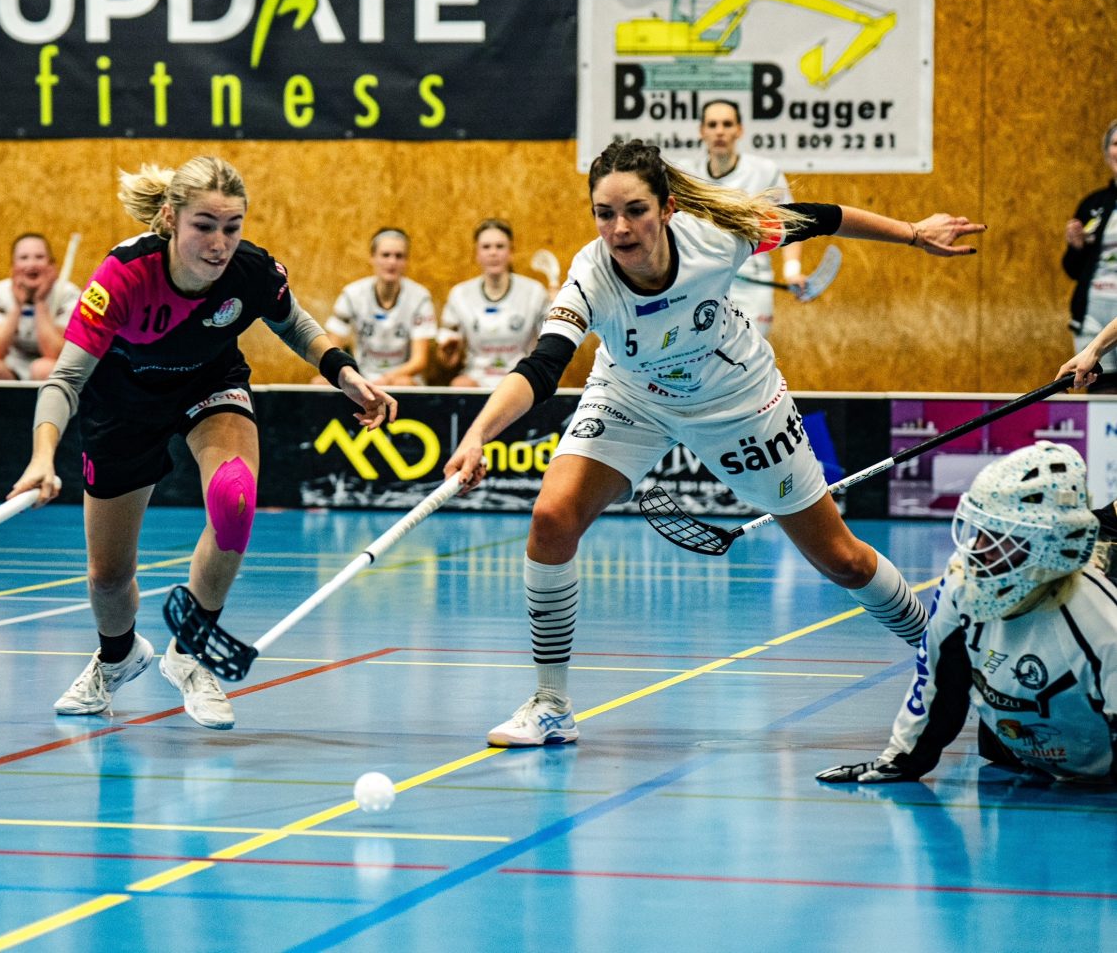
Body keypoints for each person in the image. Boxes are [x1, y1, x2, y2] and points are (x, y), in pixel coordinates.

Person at [442, 138, 985, 748]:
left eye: (635, 210)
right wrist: (479, 433)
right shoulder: (590, 276)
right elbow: (543, 367)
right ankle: (551, 703)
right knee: (551, 518)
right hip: (633, 395)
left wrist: (913, 233)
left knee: (841, 559)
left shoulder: (719, 235)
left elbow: (823, 217)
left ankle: (955, 661)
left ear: (668, 208)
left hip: (739, 402)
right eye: (604, 213)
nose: (620, 229)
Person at [8, 156, 395, 729]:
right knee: (108, 577)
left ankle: (190, 653)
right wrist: (43, 457)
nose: (219, 243)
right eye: (205, 226)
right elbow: (65, 379)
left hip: (209, 387)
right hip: (123, 404)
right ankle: (116, 660)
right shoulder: (123, 276)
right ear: (171, 218)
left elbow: (293, 322)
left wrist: (345, 374)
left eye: (232, 227)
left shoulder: (250, 270)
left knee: (235, 500)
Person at [817, 442, 1117, 785]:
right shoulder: (963, 579)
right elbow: (938, 679)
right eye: (980, 530)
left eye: (999, 534)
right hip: (1011, 754)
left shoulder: (1100, 620)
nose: (978, 549)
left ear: (1048, 542)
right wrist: (901, 760)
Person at [682, 100, 810, 339]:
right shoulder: (687, 176)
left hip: (752, 285)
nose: (720, 131)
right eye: (712, 124)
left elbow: (791, 224)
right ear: (702, 131)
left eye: (727, 124)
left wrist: (792, 271)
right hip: (702, 284)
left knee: (746, 363)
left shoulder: (765, 172)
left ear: (739, 130)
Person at [437, 219, 549, 388]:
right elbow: (447, 361)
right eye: (486, 247)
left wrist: (558, 311)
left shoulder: (534, 292)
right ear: (477, 254)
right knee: (459, 385)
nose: (493, 253)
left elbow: (552, 344)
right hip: (476, 376)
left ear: (511, 252)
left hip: (521, 376)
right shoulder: (460, 294)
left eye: (500, 246)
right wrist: (448, 352)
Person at [320, 228, 436, 386]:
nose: (392, 262)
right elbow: (332, 350)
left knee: (403, 383)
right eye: (385, 255)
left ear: (406, 261)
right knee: (319, 383)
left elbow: (419, 361)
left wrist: (386, 379)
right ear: (372, 258)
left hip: (400, 376)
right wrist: (350, 375)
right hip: (361, 374)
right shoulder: (352, 294)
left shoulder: (420, 297)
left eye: (399, 256)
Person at [0, 233, 81, 381]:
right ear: (13, 267)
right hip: (12, 367)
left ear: (51, 265)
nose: (31, 264)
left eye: (39, 257)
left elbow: (55, 353)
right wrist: (17, 305)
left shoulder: (69, 294)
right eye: (24, 258)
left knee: (43, 368)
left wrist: (40, 302)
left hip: (50, 366)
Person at [1063, 119, 1117, 392]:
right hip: (1095, 314)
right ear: (1107, 152)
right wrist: (1077, 247)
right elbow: (1073, 269)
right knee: (1102, 396)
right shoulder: (1093, 205)